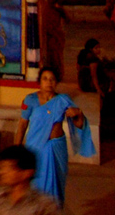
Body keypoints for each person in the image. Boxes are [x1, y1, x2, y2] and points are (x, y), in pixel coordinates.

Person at [16, 66, 95, 206]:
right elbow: (22, 125)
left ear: (57, 82)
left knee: (57, 185)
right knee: (36, 183)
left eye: (52, 79)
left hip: (57, 147)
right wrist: (16, 151)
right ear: (39, 81)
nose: (49, 82)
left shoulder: (63, 100)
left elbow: (78, 124)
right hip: (35, 147)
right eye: (45, 79)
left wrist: (78, 113)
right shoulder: (30, 100)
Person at [0, 145, 63, 215]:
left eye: (7, 168)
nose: (0, 173)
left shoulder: (43, 205)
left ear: (27, 173)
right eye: (0, 168)